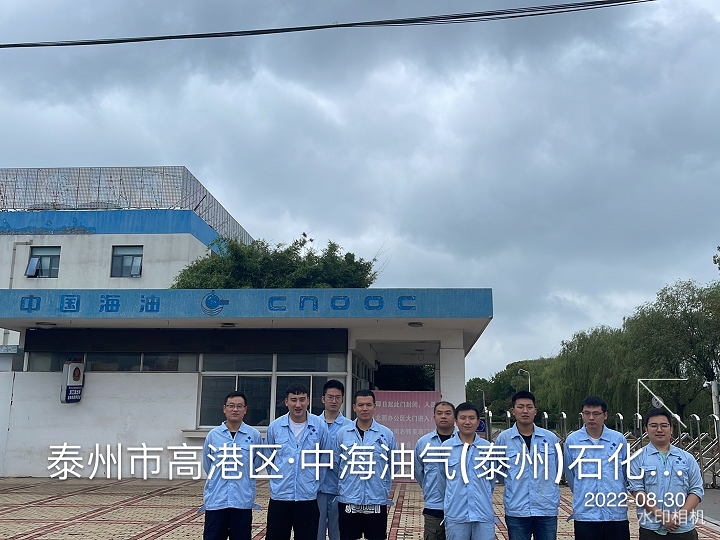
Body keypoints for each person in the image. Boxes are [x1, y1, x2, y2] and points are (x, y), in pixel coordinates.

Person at [263, 383, 330, 540]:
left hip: (307, 497)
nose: (298, 404)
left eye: (302, 399)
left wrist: (314, 483)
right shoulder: (276, 427)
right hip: (280, 497)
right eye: (293, 400)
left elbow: (325, 457)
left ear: (308, 401)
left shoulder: (319, 426)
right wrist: (278, 479)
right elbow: (269, 457)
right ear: (286, 402)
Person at [629, 409, 704, 539]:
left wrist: (679, 517)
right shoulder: (637, 459)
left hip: (683, 529)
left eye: (664, 425)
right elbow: (637, 490)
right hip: (651, 529)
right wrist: (662, 517)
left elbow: (696, 490)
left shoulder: (687, 458)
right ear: (646, 429)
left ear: (671, 429)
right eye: (654, 426)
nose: (659, 430)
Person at [494, 391, 560, 540]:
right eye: (520, 407)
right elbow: (500, 471)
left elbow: (556, 468)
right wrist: (514, 484)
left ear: (535, 411)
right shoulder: (504, 439)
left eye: (529, 407)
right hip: (517, 509)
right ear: (513, 411)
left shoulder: (550, 438)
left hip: (546, 508)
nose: (525, 411)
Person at [564, 396, 630, 540]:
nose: (591, 417)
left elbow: (624, 473)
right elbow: (570, 475)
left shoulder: (618, 439)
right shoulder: (573, 441)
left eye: (596, 413)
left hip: (615, 512)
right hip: (586, 513)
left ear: (605, 415)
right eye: (587, 413)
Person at [334, 389, 397, 540]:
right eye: (361, 405)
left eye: (368, 405)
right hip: (349, 499)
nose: (365, 409)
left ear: (375, 406)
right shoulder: (343, 434)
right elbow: (336, 464)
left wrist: (381, 484)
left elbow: (393, 464)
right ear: (354, 407)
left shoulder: (386, 434)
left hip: (376, 499)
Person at [202, 391, 263, 540]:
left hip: (242, 501)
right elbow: (208, 466)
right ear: (224, 408)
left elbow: (256, 465)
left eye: (239, 406)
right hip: (217, 501)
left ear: (245, 410)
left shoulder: (254, 435)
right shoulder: (213, 435)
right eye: (231, 406)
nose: (235, 409)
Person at [437, 402, 495, 540]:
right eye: (463, 418)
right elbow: (442, 481)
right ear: (456, 421)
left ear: (478, 422)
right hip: (456, 513)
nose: (467, 422)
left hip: (483, 513)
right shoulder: (446, 447)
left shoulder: (488, 448)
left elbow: (491, 481)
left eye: (471, 418)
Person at [414, 401, 456, 540]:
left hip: (460, 507)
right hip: (434, 506)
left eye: (448, 413)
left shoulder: (464, 441)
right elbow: (419, 471)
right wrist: (429, 488)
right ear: (434, 417)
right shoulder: (423, 443)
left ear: (455, 417)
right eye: (439, 413)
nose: (443, 416)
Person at [317, 380, 351, 540]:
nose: (334, 401)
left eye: (338, 397)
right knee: (316, 532)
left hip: (341, 489)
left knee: (339, 533)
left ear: (343, 400)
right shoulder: (312, 424)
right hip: (316, 489)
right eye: (330, 397)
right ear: (323, 399)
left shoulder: (350, 427)